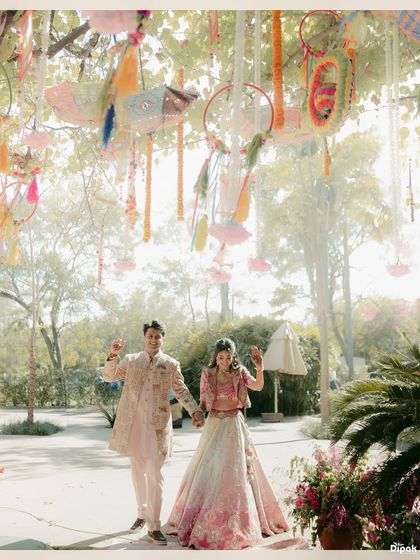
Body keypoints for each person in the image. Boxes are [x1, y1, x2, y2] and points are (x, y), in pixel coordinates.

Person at [166, 338, 289, 549]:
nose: (224, 360)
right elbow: (204, 400)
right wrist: (198, 415)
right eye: (220, 357)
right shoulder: (208, 373)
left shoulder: (240, 372)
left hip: (234, 424)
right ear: (215, 356)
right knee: (209, 469)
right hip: (214, 424)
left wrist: (259, 368)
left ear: (233, 356)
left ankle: (240, 521)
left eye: (228, 356)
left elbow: (257, 386)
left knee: (235, 472)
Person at [103, 320, 204, 545]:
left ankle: (154, 526)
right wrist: (113, 354)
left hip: (157, 428)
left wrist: (195, 411)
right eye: (150, 335)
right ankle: (141, 513)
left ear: (162, 338)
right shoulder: (130, 361)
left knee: (155, 475)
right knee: (137, 472)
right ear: (144, 337)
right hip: (133, 426)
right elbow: (109, 377)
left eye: (158, 336)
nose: (153, 339)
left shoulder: (170, 364)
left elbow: (181, 390)